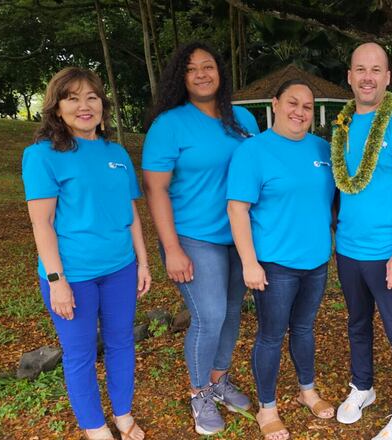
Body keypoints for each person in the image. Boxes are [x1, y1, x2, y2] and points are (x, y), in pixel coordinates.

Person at [22, 67, 151, 440]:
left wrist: (142, 262)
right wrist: (56, 281)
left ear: (102, 105)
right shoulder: (42, 156)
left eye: (92, 97)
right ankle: (95, 427)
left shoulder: (117, 152)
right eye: (73, 98)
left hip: (120, 269)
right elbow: (42, 225)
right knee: (79, 354)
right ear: (57, 107)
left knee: (121, 342)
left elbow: (131, 216)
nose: (84, 106)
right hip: (72, 273)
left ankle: (123, 415)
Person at [141, 42, 259, 436]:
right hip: (193, 236)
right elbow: (156, 190)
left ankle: (219, 380)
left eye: (209, 66)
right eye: (192, 69)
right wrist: (171, 248)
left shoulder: (242, 118)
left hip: (239, 237)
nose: (202, 74)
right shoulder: (169, 124)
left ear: (220, 72)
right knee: (209, 317)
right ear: (182, 77)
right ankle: (199, 393)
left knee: (230, 314)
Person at [226, 79, 335, 440]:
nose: (299, 112)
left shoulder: (322, 148)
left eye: (306, 106)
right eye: (292, 103)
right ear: (275, 104)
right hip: (274, 264)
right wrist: (249, 263)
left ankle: (307, 391)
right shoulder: (253, 151)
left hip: (317, 261)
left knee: (304, 329)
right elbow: (237, 209)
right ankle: (267, 409)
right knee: (271, 335)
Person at [332, 42, 392, 440]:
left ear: (387, 78)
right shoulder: (341, 126)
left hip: (388, 253)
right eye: (360, 69)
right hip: (348, 250)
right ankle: (363, 387)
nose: (367, 77)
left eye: (376, 70)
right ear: (350, 77)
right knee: (357, 324)